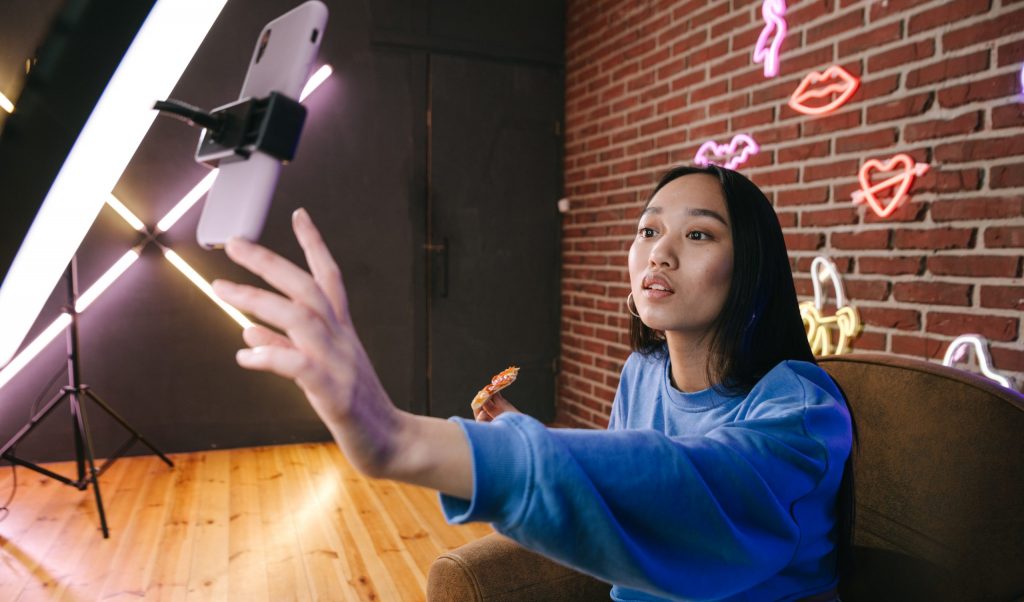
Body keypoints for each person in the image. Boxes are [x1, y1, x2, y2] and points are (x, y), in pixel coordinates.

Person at [212, 164, 853, 601]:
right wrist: (526, 433)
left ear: (752, 270)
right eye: (649, 229)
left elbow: (685, 489)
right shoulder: (643, 372)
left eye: (698, 234)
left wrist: (403, 440)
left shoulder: (801, 406)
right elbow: (617, 502)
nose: (659, 252)